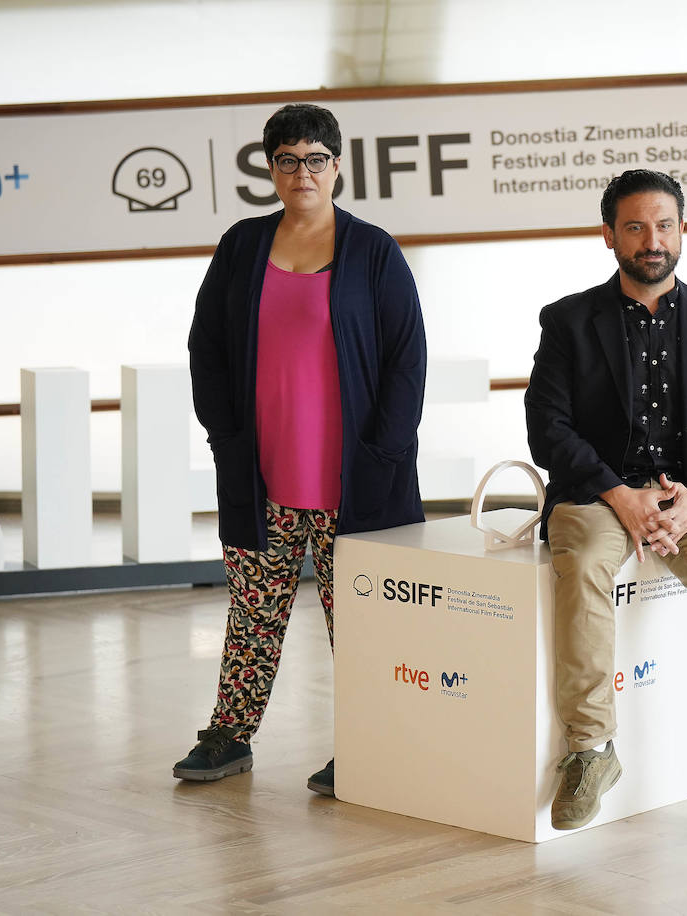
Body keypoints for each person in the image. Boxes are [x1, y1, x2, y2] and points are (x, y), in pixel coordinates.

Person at [524, 169, 687, 848]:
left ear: (682, 231)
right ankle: (590, 750)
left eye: (665, 225)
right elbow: (547, 429)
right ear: (608, 234)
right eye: (636, 226)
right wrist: (619, 492)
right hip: (599, 493)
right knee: (580, 561)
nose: (653, 240)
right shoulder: (568, 320)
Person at [175, 103, 427, 797]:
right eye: (288, 159)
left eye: (316, 158)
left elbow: (408, 361)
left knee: (365, 626)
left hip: (356, 482)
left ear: (338, 166)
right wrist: (224, 434)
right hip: (262, 476)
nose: (302, 171)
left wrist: (385, 450)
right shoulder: (242, 246)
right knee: (252, 612)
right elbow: (207, 350)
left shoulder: (374, 251)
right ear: (271, 169)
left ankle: (368, 745)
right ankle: (229, 735)